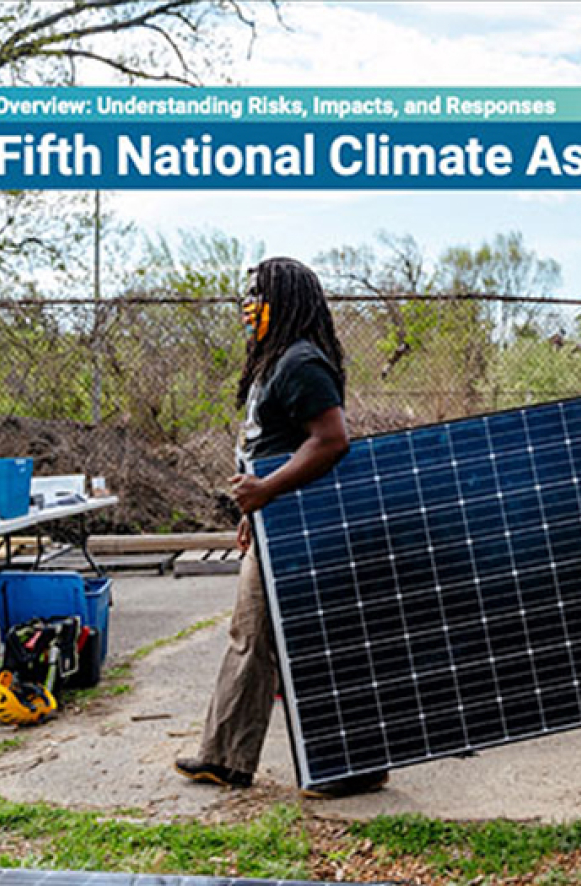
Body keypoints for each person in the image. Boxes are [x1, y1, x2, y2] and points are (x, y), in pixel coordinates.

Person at [175, 256, 387, 797]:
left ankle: (351, 764)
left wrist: (268, 491)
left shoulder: (300, 362)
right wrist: (255, 509)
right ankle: (225, 757)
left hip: (301, 524)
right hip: (275, 521)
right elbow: (270, 447)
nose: (248, 305)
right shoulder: (274, 362)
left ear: (286, 301)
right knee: (253, 636)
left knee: (306, 641)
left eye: (258, 294)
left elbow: (331, 438)